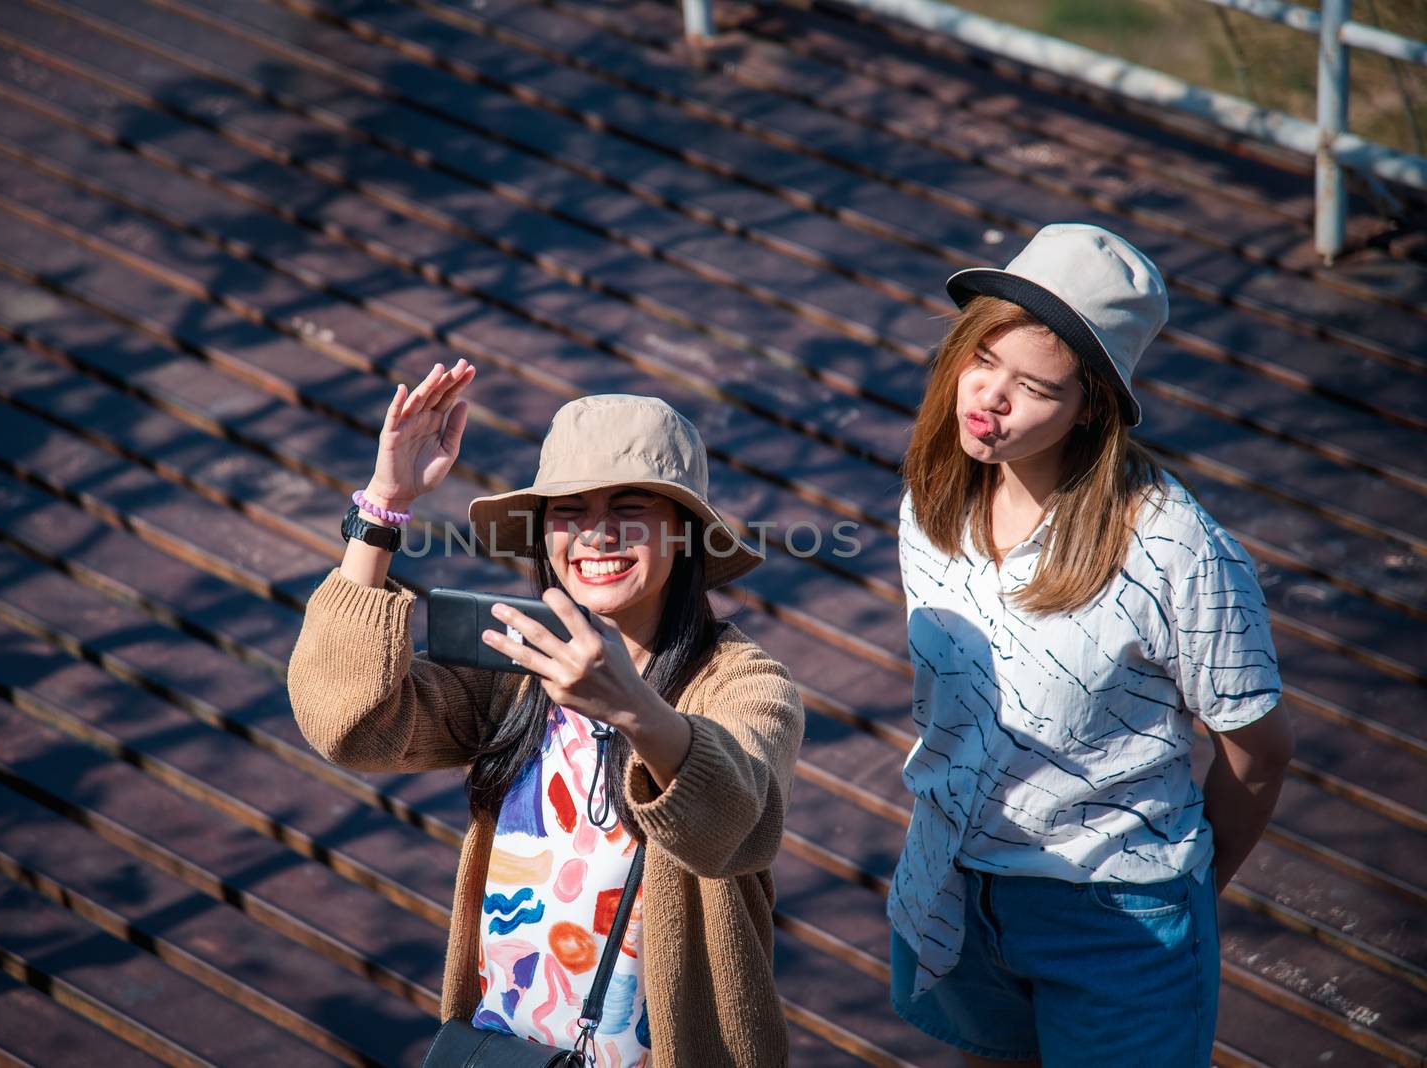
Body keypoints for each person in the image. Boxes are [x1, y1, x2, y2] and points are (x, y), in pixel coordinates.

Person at [287, 365, 804, 1067]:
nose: (596, 534)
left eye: (629, 507)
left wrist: (633, 709)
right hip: (507, 1046)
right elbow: (347, 722)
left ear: (684, 534)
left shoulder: (744, 683)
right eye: (568, 510)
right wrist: (382, 507)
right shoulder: (516, 671)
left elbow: (734, 822)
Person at [886, 224, 1295, 1068]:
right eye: (982, 358)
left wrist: (1178, 900)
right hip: (952, 885)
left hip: (1114, 921)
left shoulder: (1174, 549)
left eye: (1033, 386)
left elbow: (1259, 750)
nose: (989, 397)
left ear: (1091, 409)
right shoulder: (935, 502)